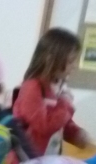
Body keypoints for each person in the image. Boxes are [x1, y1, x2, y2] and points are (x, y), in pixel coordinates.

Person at [14, 28, 89, 156]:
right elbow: (44, 126)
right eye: (71, 61)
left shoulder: (55, 88)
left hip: (47, 159)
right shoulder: (31, 88)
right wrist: (65, 103)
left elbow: (60, 122)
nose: (74, 66)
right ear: (50, 59)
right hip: (26, 161)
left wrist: (75, 133)